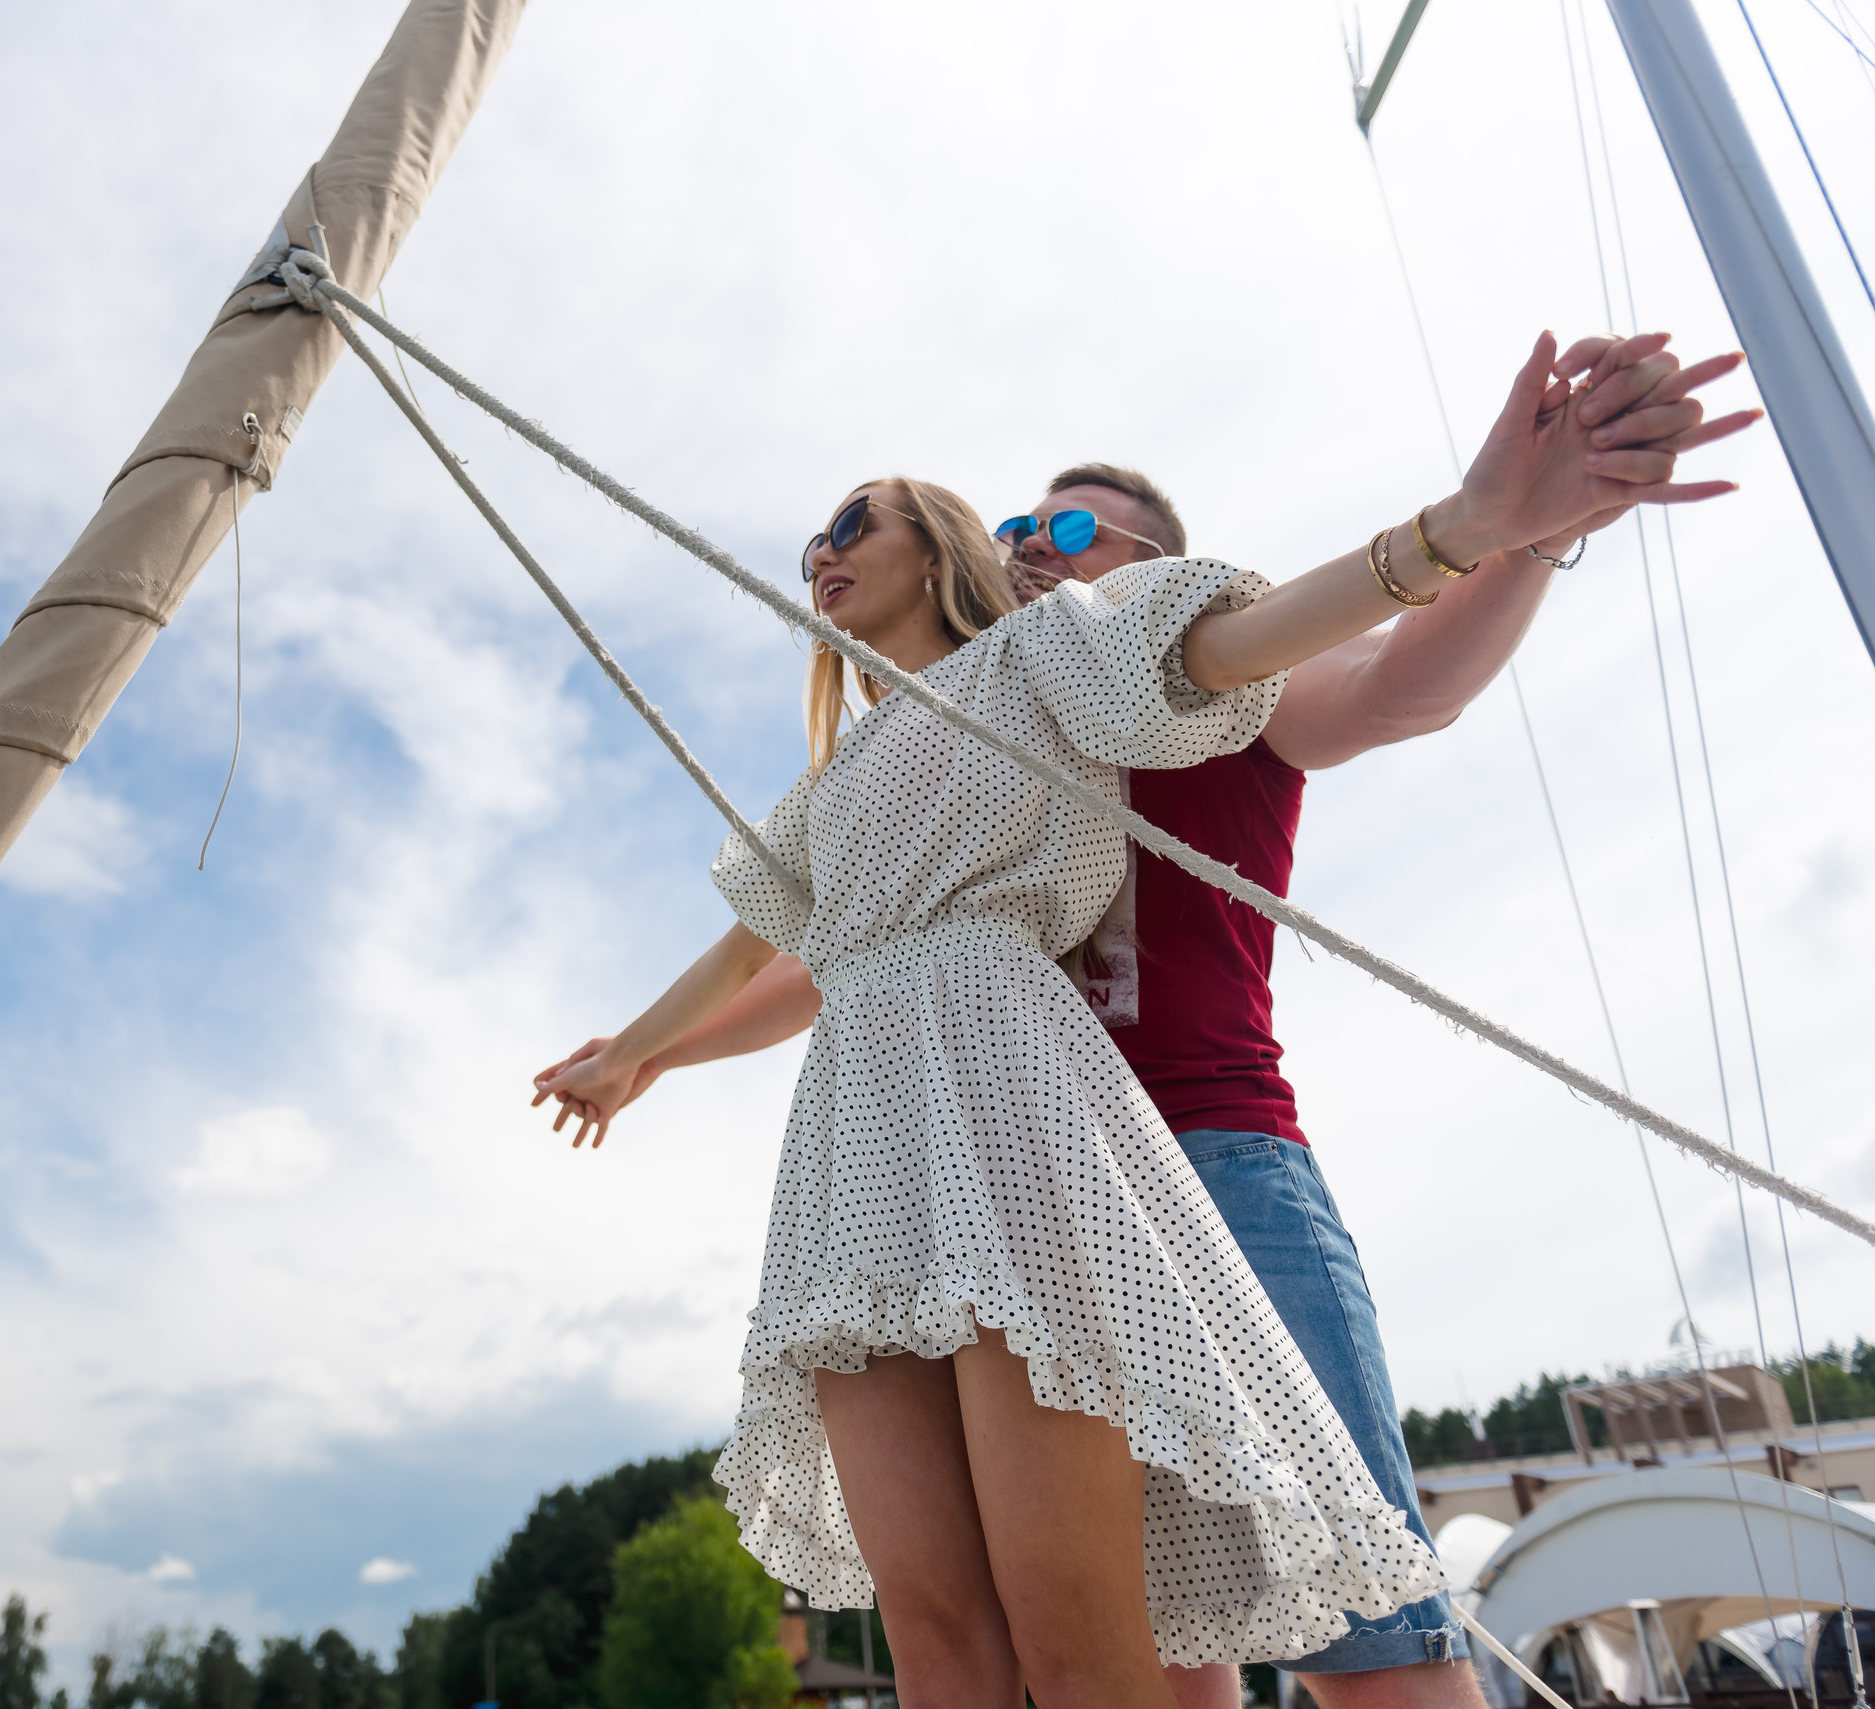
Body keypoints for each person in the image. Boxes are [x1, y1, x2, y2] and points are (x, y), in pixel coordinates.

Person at [529, 333, 1749, 1709]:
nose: (1030, 548)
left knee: (1368, 1646)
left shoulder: (1211, 694)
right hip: (994, 1193)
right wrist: (643, 1054)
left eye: (1065, 528)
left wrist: (1512, 532)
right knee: (1157, 1651)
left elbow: (1409, 685)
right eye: (1010, 528)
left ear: (1154, 562)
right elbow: (824, 959)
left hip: (1214, 1155)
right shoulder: (959, 746)